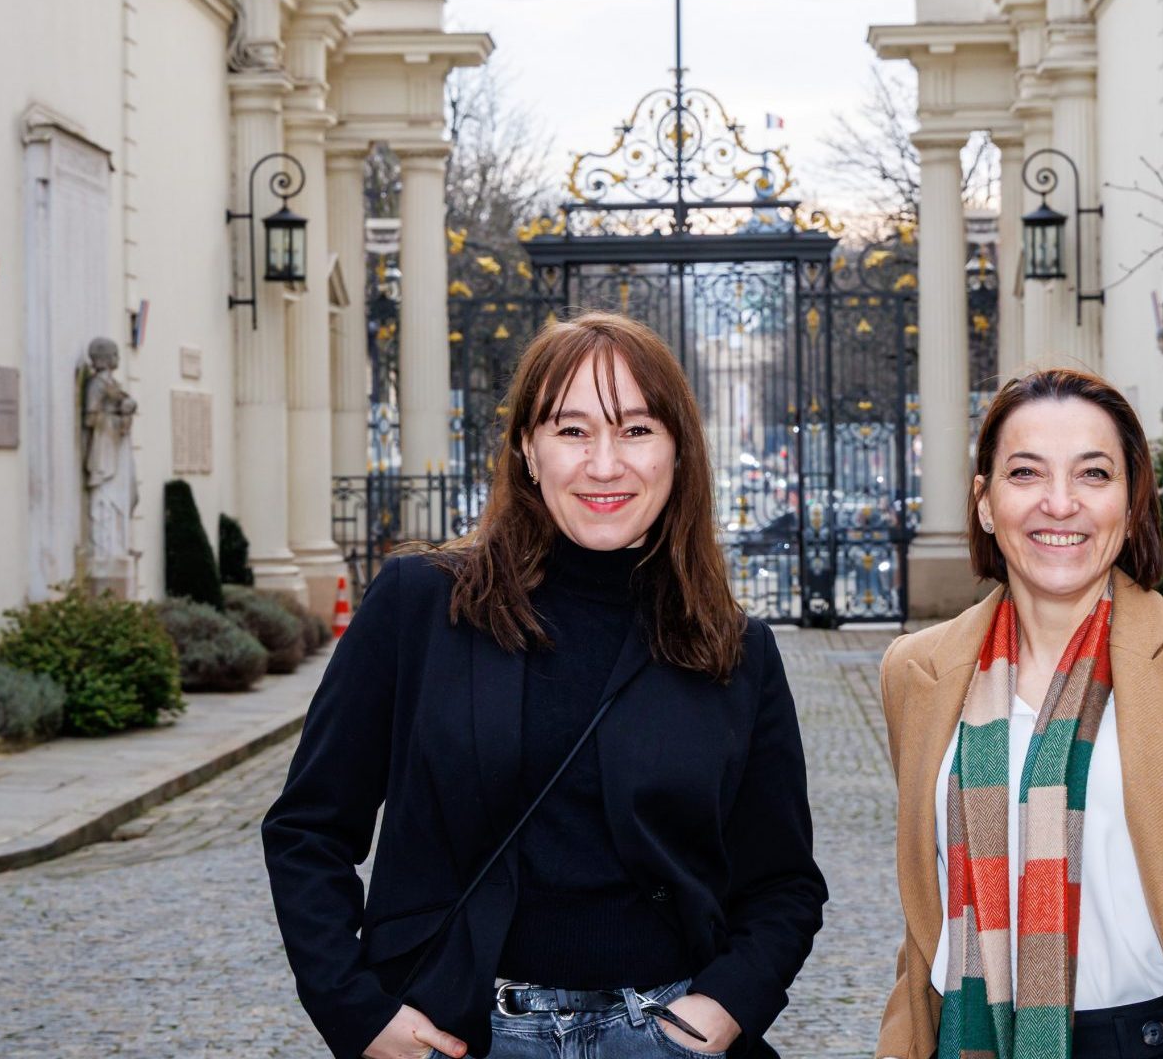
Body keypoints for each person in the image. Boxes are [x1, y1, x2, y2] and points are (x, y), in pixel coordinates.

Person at [265, 311, 827, 1059]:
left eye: (635, 431)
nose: (604, 465)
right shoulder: (419, 605)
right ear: (528, 449)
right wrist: (356, 1011)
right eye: (571, 431)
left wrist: (724, 1007)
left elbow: (784, 882)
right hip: (466, 1031)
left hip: (660, 1035)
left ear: (678, 453)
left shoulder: (734, 647)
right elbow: (308, 829)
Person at [875, 367, 1163, 1059]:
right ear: (985, 502)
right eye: (1025, 474)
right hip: (966, 1040)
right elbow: (930, 910)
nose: (1060, 504)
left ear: (1131, 499)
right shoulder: (918, 673)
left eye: (1093, 475)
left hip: (1152, 1039)